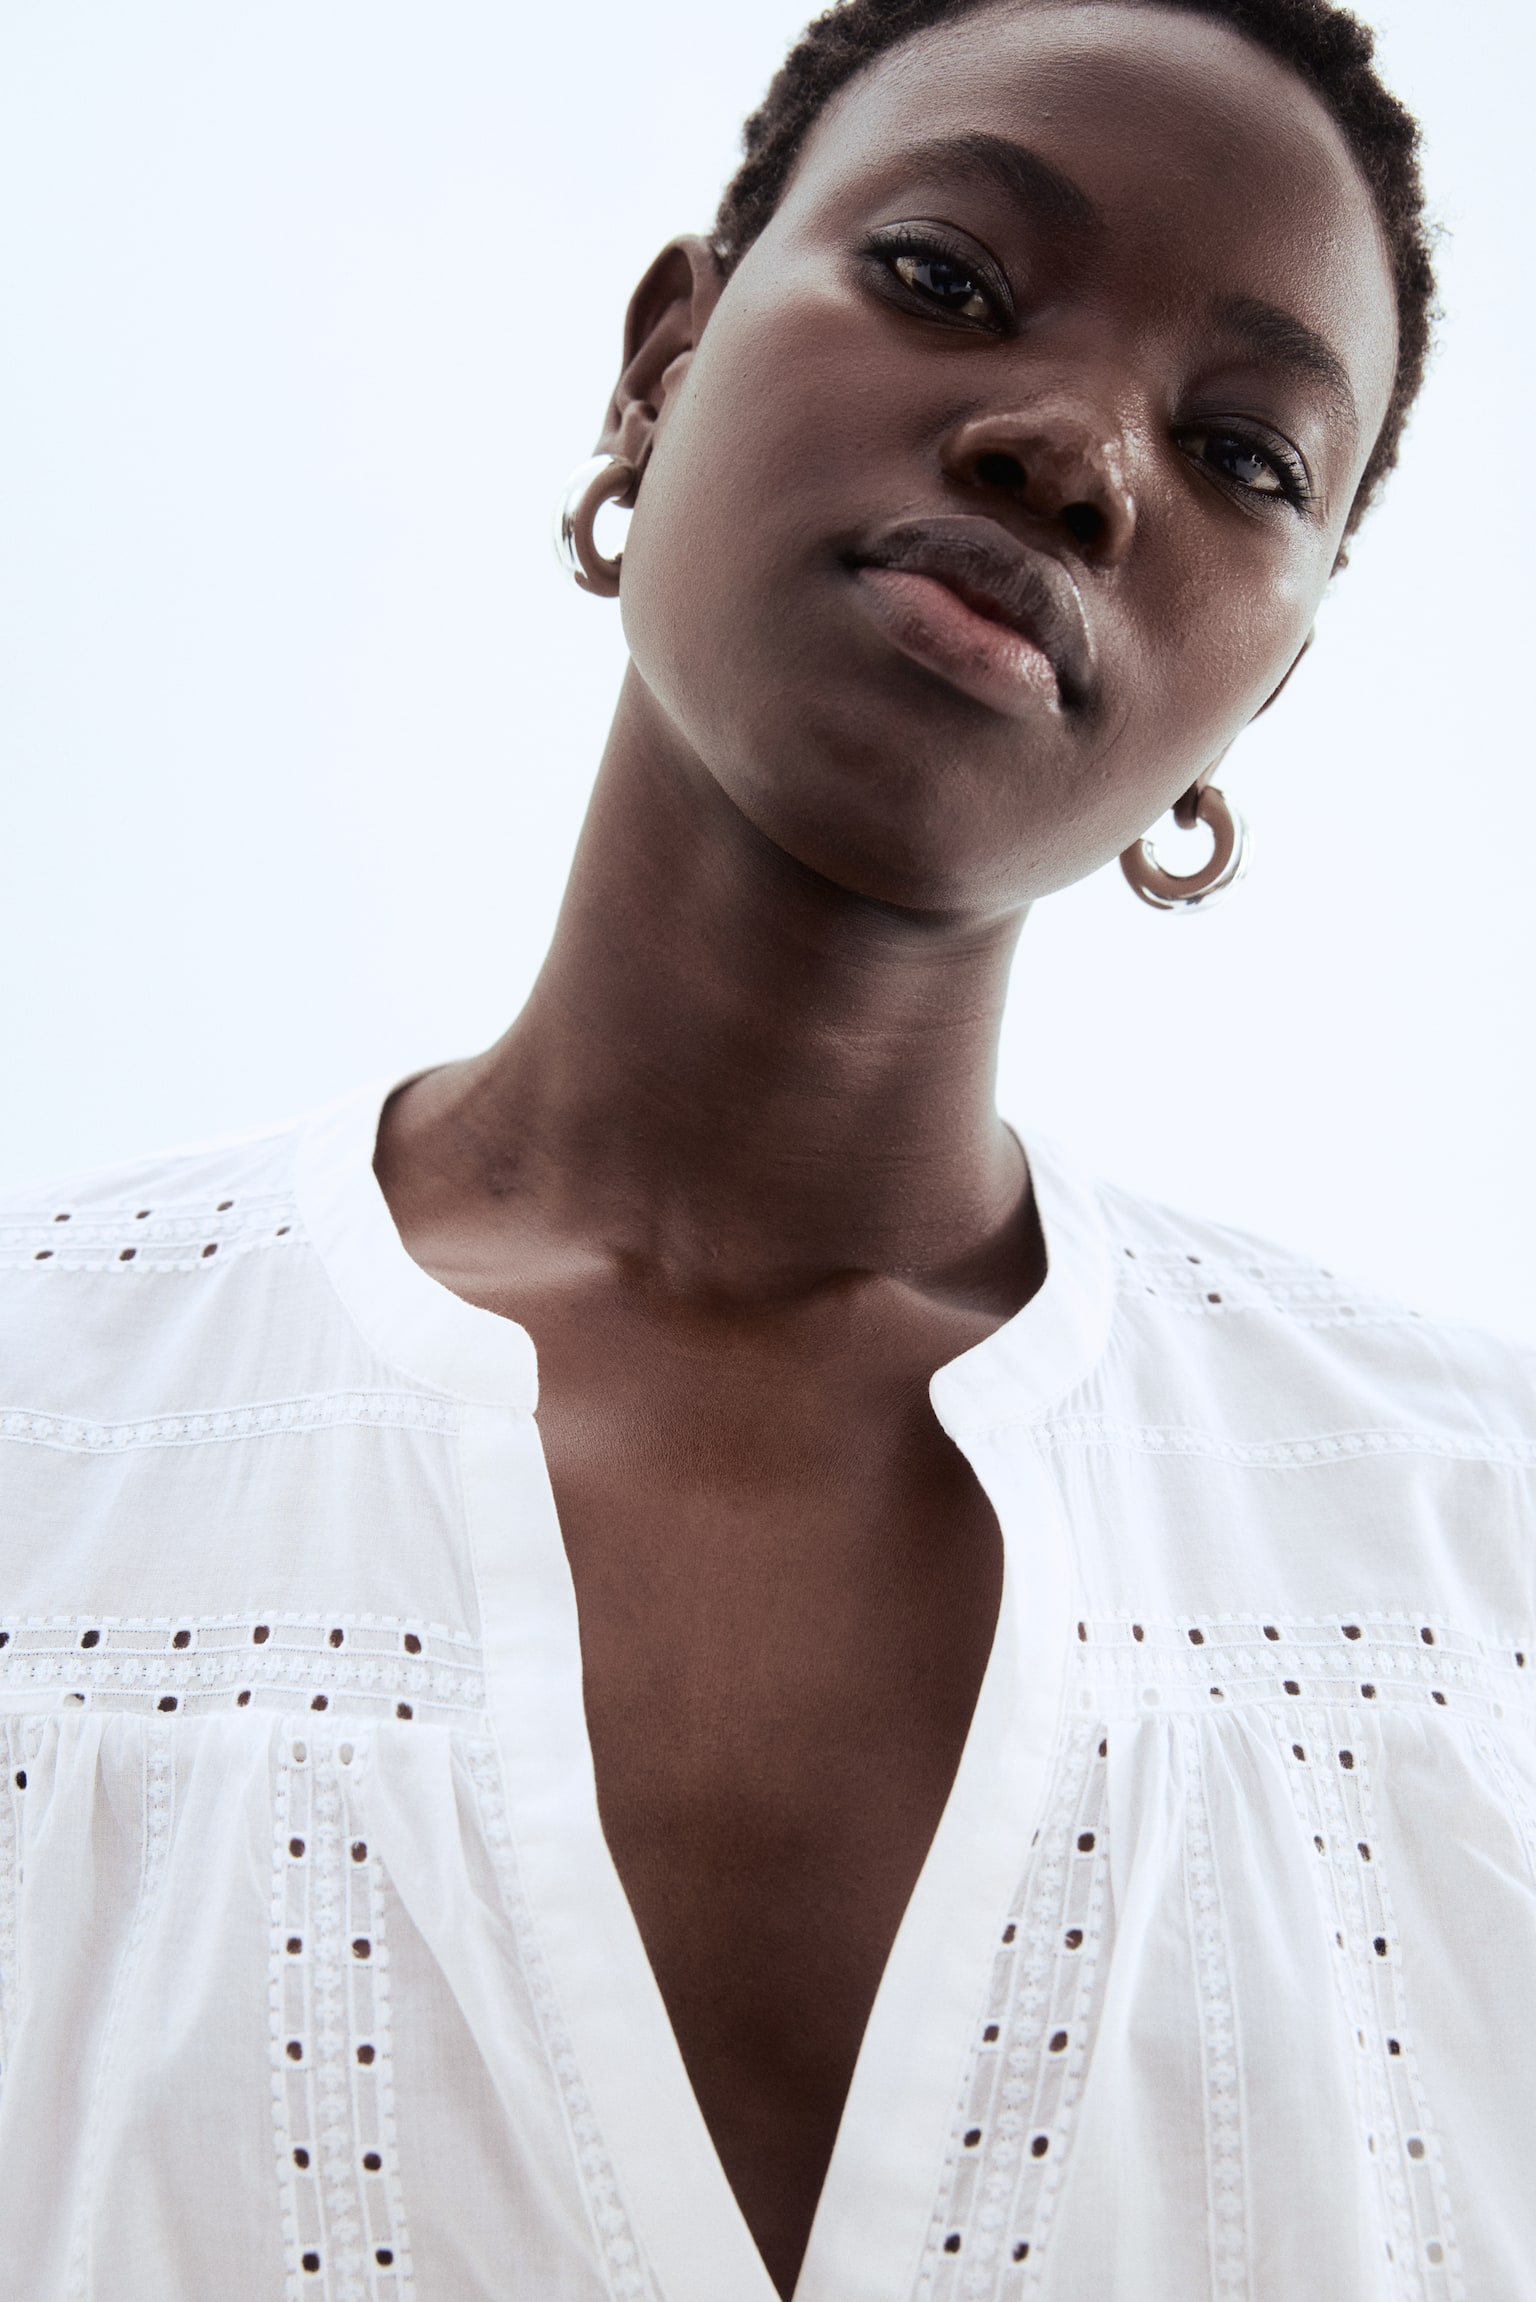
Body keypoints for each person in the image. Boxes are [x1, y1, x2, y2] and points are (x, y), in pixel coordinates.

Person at [1, 1, 1530, 2296]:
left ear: (1269, 682)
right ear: (664, 360)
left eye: (1244, 451)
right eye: (948, 277)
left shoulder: (1481, 1569)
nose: (1075, 452)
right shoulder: (47, 1424)